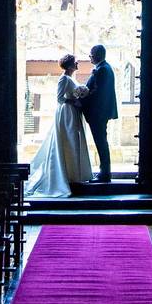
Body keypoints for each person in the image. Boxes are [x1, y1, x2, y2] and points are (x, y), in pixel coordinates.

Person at [25, 54, 93, 197]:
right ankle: (65, 175)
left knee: (74, 141)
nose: (77, 64)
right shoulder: (63, 79)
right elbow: (60, 98)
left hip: (72, 113)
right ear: (69, 65)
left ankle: (73, 174)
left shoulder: (70, 78)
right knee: (67, 140)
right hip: (66, 114)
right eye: (75, 62)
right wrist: (73, 101)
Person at [80, 44, 118, 183]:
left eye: (91, 54)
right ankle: (104, 171)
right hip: (100, 112)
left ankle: (105, 173)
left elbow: (96, 92)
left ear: (98, 55)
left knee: (101, 142)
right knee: (101, 141)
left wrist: (81, 101)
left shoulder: (102, 70)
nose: (89, 57)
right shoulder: (104, 68)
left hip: (98, 113)